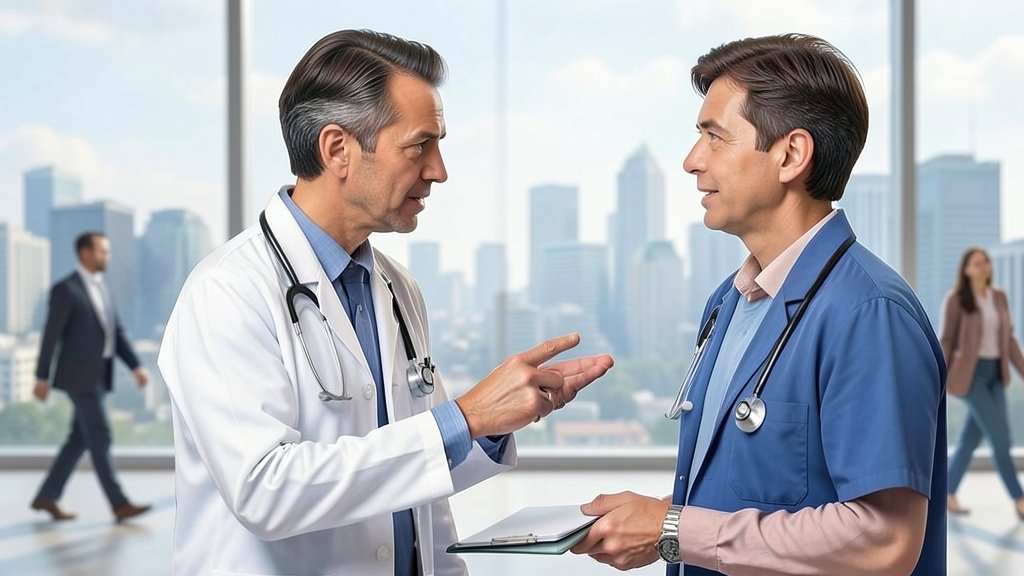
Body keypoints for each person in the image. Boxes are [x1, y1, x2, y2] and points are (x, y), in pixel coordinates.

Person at [157, 29, 613, 576]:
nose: (438, 170)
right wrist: (464, 417)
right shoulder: (227, 292)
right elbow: (264, 491)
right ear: (337, 149)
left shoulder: (397, 288)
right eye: (420, 145)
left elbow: (419, 471)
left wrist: (494, 421)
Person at [572, 33, 946, 575]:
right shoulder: (729, 303)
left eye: (714, 137)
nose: (691, 161)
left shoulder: (868, 314)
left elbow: (882, 541)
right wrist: (655, 529)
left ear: (790, 155)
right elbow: (744, 490)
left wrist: (673, 528)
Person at [31, 231, 152, 523]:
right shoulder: (66, 290)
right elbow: (51, 336)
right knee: (101, 436)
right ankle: (119, 503)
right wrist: (41, 377)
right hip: (78, 376)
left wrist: (135, 366)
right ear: (84, 253)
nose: (107, 257)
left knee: (79, 439)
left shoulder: (102, 287)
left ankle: (47, 496)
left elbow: (116, 333)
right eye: (102, 252)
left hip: (100, 373)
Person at [942, 247, 1024, 520]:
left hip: (996, 373)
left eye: (986, 262)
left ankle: (948, 491)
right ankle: (1019, 498)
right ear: (966, 270)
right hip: (970, 375)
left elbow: (1009, 339)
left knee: (969, 440)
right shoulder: (956, 300)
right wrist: (939, 376)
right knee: (1001, 437)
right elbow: (947, 340)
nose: (984, 266)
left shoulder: (999, 297)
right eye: (977, 263)